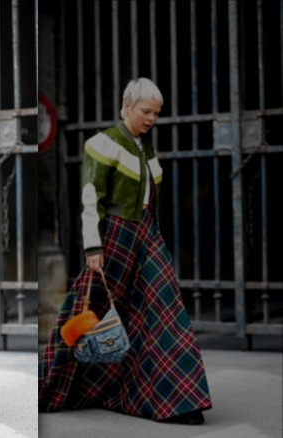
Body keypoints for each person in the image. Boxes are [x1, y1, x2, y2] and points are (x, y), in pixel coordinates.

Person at [39, 78, 212, 424]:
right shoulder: (102, 144)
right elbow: (91, 198)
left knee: (164, 309)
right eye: (146, 111)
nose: (151, 118)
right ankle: (52, 387)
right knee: (93, 310)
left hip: (147, 235)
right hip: (114, 235)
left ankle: (179, 401)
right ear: (127, 106)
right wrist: (92, 245)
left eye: (157, 113)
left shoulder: (146, 149)